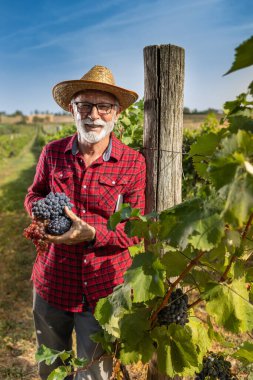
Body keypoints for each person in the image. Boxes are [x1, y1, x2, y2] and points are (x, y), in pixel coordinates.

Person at [24, 65, 146, 380]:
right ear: (72, 110)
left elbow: (135, 229)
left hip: (104, 289)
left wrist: (92, 234)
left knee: (95, 374)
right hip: (53, 281)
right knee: (51, 367)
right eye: (85, 105)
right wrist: (42, 215)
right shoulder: (52, 153)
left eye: (104, 106)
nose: (94, 114)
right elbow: (34, 195)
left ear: (116, 113)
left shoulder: (133, 163)